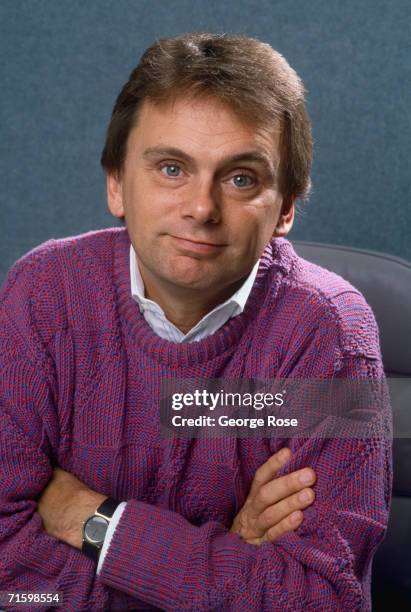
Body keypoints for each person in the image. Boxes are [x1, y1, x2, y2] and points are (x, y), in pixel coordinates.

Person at [0, 32, 391, 611]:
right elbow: (13, 588)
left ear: (286, 207)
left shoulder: (332, 335)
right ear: (116, 184)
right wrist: (213, 571)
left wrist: (95, 520)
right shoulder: (43, 295)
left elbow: (323, 599)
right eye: (171, 168)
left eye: (240, 179)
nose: (202, 208)